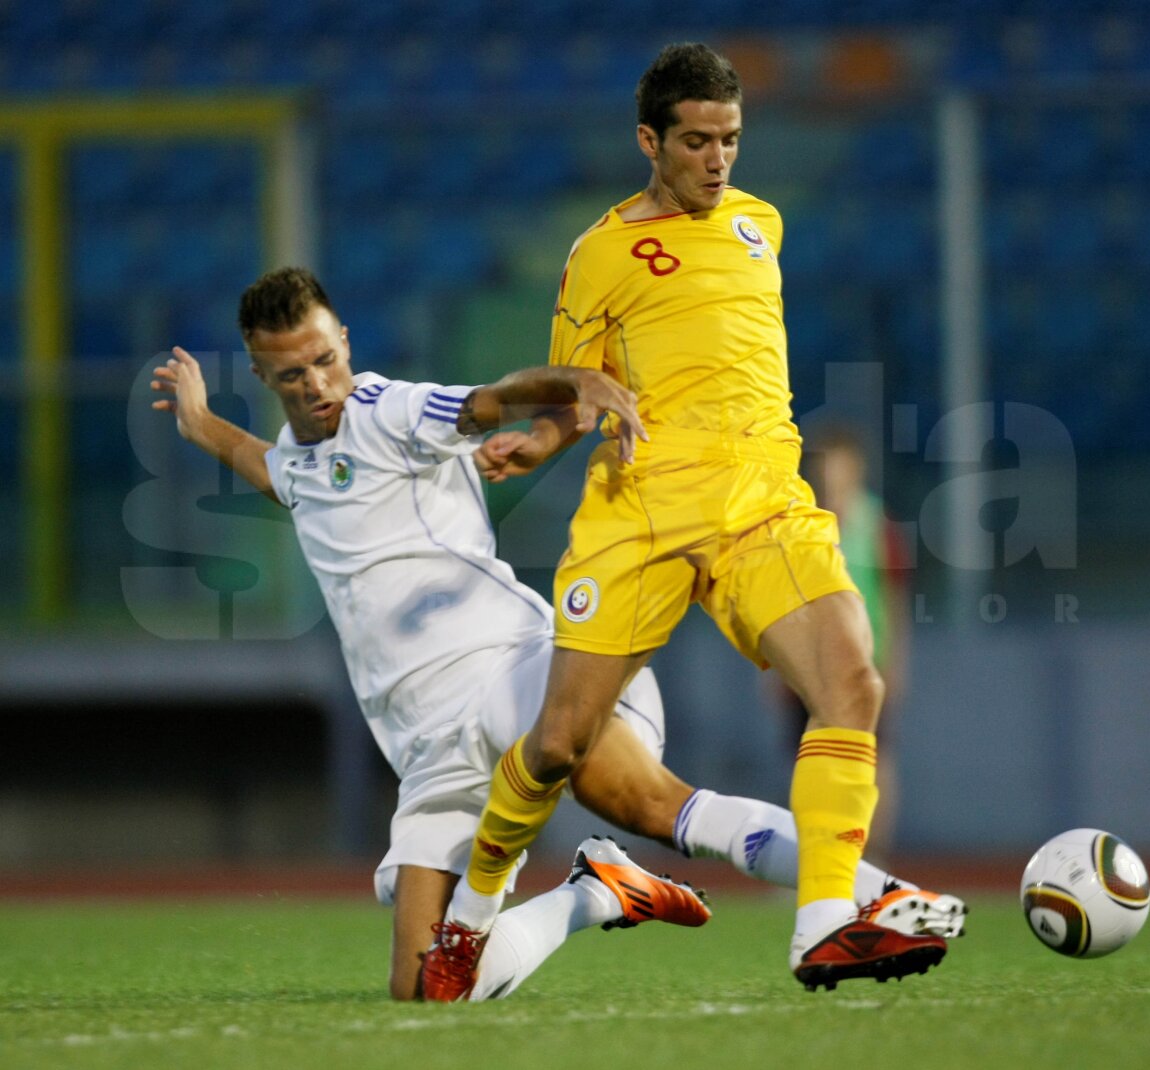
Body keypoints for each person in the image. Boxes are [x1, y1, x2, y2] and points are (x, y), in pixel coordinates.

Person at [152, 268, 962, 1002]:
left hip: (511, 669)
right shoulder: (300, 457)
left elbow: (488, 401)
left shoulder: (385, 410)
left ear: (346, 345)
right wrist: (202, 426)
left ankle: (881, 894)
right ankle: (598, 893)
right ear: (263, 375)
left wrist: (569, 384)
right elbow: (277, 473)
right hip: (427, 746)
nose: (318, 384)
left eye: (326, 359)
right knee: (429, 991)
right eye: (293, 374)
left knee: (650, 804)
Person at [425, 42, 955, 999]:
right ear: (650, 141)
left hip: (764, 504)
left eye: (732, 140)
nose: (719, 160)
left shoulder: (763, 225)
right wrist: (542, 443)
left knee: (854, 684)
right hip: (645, 511)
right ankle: (466, 925)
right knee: (557, 746)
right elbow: (575, 392)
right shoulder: (599, 254)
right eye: (699, 142)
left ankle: (825, 923)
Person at [783, 425, 912, 863]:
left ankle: (873, 855)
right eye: (821, 465)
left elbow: (893, 596)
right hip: (806, 660)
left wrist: (894, 661)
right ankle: (815, 854)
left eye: (835, 464)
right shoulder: (798, 519)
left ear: (855, 468)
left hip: (864, 659)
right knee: (808, 754)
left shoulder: (876, 525)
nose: (828, 474)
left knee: (874, 757)